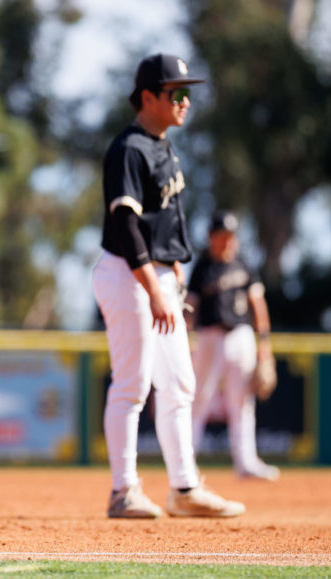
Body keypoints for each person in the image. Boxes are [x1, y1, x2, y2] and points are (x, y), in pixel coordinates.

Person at [92, 54, 245, 519]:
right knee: (132, 384)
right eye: (175, 92)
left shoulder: (163, 146)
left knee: (179, 384)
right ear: (147, 97)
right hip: (127, 272)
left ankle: (183, 488)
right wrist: (152, 287)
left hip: (159, 274)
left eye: (187, 92)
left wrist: (173, 270)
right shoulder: (130, 149)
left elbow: (163, 219)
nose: (185, 100)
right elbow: (125, 225)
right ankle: (123, 492)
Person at [186, 211, 280, 481]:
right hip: (209, 336)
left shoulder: (244, 265)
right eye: (220, 236)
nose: (226, 241)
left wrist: (264, 345)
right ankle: (186, 463)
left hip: (241, 336)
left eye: (230, 236)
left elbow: (258, 306)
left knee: (242, 401)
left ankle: (246, 463)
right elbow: (191, 308)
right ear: (210, 238)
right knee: (199, 398)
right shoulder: (202, 267)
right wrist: (186, 337)